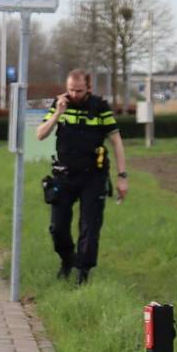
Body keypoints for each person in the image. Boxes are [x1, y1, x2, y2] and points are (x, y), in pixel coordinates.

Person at [36, 68, 128, 285]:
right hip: (64, 175)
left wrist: (122, 176)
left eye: (79, 90)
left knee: (89, 226)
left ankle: (82, 273)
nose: (74, 95)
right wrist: (58, 113)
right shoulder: (60, 104)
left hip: (93, 177)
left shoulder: (99, 107)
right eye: (70, 90)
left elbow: (116, 140)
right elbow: (40, 134)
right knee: (58, 227)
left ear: (89, 88)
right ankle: (67, 260)